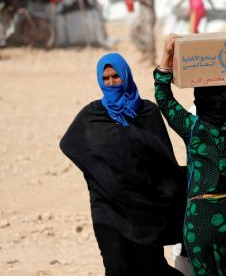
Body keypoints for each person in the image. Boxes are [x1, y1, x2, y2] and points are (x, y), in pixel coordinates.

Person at [59, 53, 185, 276]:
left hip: (145, 211)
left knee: (151, 269)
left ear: (126, 75)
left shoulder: (147, 112)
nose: (110, 83)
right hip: (107, 209)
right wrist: (100, 176)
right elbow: (70, 144)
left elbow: (163, 159)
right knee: (117, 268)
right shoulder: (92, 114)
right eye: (105, 78)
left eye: (115, 76)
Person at [154, 33, 226, 276]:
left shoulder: (192, 128)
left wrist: (167, 53)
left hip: (201, 218)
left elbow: (163, 97)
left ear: (198, 99)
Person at [130, 0, 156, 65]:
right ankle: (144, 51)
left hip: (148, 14)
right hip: (141, 14)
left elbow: (149, 1)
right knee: (133, 31)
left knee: (149, 36)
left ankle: (152, 58)